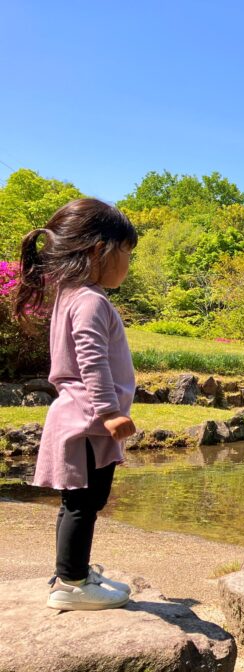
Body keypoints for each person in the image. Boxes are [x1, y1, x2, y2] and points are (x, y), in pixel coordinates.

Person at [16, 198, 139, 611]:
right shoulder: (91, 300)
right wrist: (110, 412)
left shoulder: (71, 295)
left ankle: (75, 572)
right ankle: (70, 584)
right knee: (83, 505)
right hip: (89, 420)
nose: (127, 263)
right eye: (126, 252)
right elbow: (91, 358)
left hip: (82, 419)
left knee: (81, 502)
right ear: (98, 250)